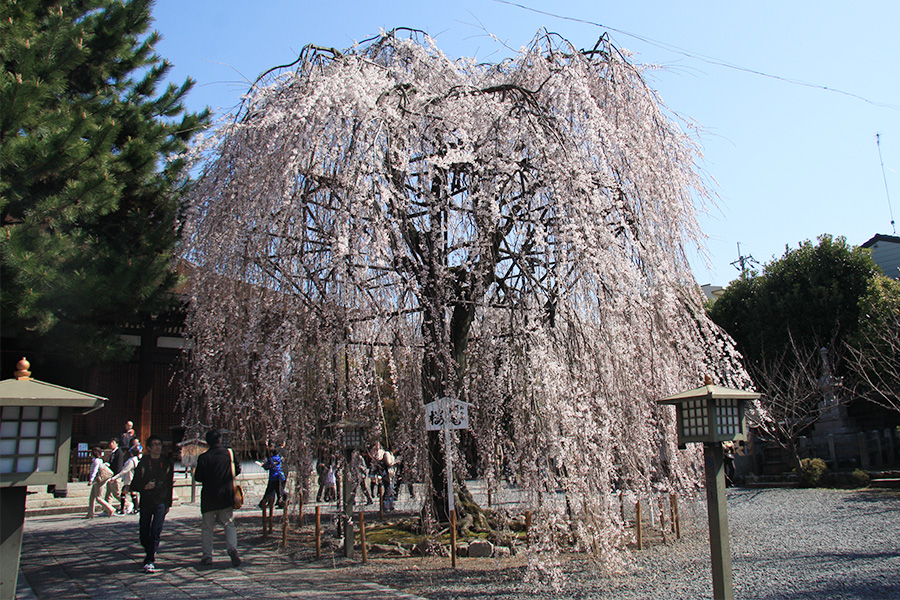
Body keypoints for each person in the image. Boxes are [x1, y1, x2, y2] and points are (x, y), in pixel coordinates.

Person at [194, 428, 241, 567]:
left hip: (209, 496)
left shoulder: (204, 457)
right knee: (229, 524)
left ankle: (207, 555)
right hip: (226, 494)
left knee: (207, 527)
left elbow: (198, 477)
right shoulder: (229, 454)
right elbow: (237, 470)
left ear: (207, 442)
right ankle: (232, 548)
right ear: (220, 440)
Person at [130, 435, 175, 573]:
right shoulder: (143, 463)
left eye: (159, 444)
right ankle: (149, 549)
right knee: (144, 532)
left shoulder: (166, 463)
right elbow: (134, 484)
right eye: (154, 445)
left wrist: (168, 503)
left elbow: (169, 483)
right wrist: (145, 486)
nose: (157, 447)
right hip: (146, 500)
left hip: (160, 501)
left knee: (156, 531)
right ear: (149, 448)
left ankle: (150, 559)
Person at [84, 446, 116, 518]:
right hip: (97, 480)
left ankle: (110, 508)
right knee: (92, 497)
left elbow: (95, 471)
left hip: (98, 480)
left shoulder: (96, 461)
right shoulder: (100, 460)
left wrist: (91, 480)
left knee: (99, 498)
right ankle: (90, 513)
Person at [109, 446, 141, 514]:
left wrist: (114, 478)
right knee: (133, 493)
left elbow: (124, 471)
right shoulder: (136, 460)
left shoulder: (131, 461)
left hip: (129, 479)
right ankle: (136, 508)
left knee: (123, 493)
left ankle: (122, 509)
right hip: (133, 479)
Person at [258, 444, 286, 509]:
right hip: (278, 477)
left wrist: (263, 465)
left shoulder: (271, 459)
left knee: (269, 491)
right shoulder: (279, 458)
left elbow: (266, 467)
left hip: (272, 477)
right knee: (279, 491)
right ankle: (282, 502)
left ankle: (263, 503)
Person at [105, 438, 127, 513]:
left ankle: (128, 504)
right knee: (108, 493)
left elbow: (119, 465)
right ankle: (107, 509)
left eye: (113, 443)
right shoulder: (113, 452)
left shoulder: (119, 452)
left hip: (115, 475)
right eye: (110, 443)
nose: (111, 444)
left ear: (116, 444)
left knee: (116, 493)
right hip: (110, 475)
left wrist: (116, 476)